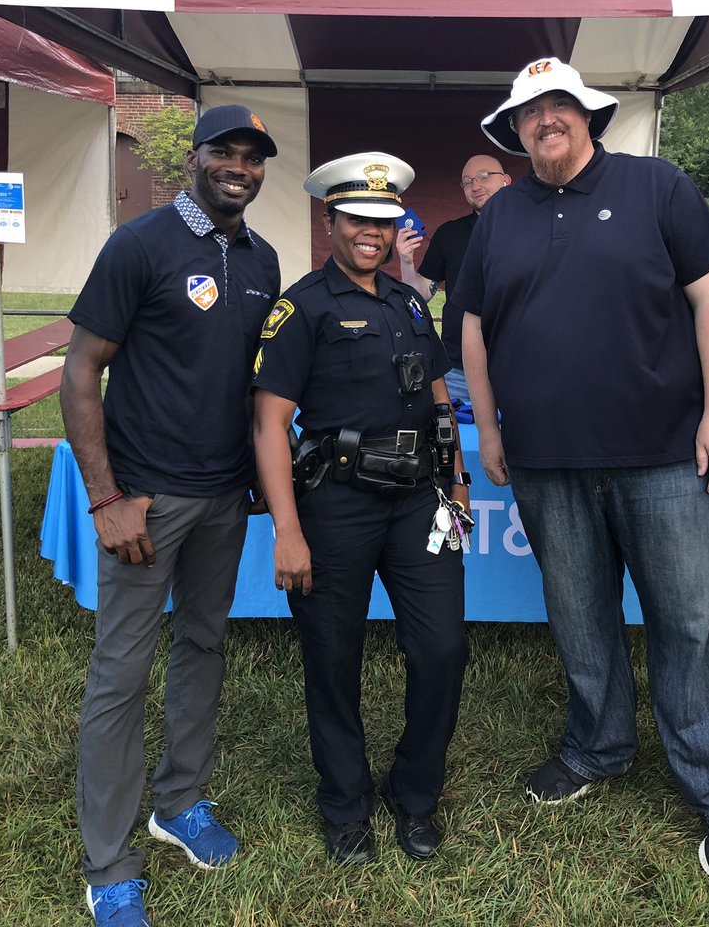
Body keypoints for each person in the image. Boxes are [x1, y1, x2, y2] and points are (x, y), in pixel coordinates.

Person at [454, 57, 709, 879]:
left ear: (589, 116)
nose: (545, 119)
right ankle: (598, 747)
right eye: (529, 111)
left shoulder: (657, 185)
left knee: (690, 624)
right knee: (580, 618)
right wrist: (487, 428)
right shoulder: (502, 214)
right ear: (514, 131)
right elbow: (475, 327)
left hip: (663, 452)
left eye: (560, 105)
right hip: (546, 461)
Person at [60, 104, 281, 926]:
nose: (239, 166)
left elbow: (251, 381)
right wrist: (107, 498)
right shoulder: (141, 245)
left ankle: (179, 800)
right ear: (194, 158)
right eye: (225, 151)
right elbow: (80, 372)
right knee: (122, 675)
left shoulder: (263, 258)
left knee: (205, 644)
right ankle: (109, 862)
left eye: (253, 157)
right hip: (146, 500)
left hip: (225, 496)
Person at [252, 152, 470, 865]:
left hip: (417, 503)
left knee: (441, 648)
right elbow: (269, 424)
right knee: (333, 659)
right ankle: (346, 806)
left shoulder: (410, 302)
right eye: (357, 219)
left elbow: (439, 396)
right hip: (335, 506)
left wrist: (458, 480)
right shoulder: (302, 307)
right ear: (331, 222)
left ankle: (415, 796)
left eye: (383, 220)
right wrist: (287, 530)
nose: (371, 232)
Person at [396, 155, 511, 401]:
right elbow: (421, 294)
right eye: (467, 182)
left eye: (484, 177)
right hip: (458, 371)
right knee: (460, 439)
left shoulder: (533, 227)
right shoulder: (450, 233)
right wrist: (406, 260)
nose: (476, 186)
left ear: (506, 181)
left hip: (519, 364)